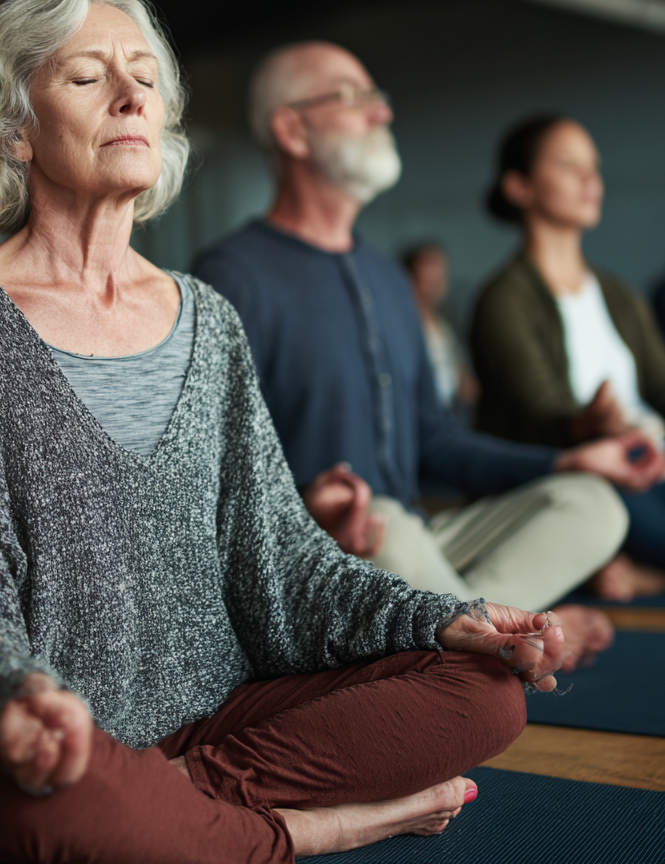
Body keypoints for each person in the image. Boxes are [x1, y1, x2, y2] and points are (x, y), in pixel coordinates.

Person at [0, 0, 568, 864]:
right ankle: (304, 833)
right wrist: (19, 697)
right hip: (38, 737)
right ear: (14, 129)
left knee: (484, 691)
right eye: (87, 78)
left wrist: (440, 619)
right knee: (54, 808)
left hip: (220, 718)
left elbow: (280, 555)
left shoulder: (207, 317)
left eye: (145, 78)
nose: (129, 95)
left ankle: (182, 823)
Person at [193, 41, 665, 669]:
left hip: (417, 545)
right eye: (352, 96)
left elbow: (437, 442)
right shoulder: (231, 275)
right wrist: (307, 505)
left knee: (591, 503)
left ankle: (469, 639)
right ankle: (495, 636)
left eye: (378, 97)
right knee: (387, 521)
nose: (380, 113)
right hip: (324, 559)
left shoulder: (388, 278)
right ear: (292, 129)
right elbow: (209, 474)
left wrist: (567, 457)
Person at [471, 115, 665, 600]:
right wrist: (587, 423)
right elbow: (539, 412)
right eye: (568, 164)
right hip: (592, 472)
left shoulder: (618, 294)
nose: (590, 179)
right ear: (519, 187)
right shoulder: (504, 298)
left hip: (649, 456)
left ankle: (645, 577)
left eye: (594, 167)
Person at [402, 241, 478, 415]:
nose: (437, 277)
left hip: (450, 411)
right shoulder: (404, 325)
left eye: (441, 270)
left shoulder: (444, 325)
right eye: (429, 268)